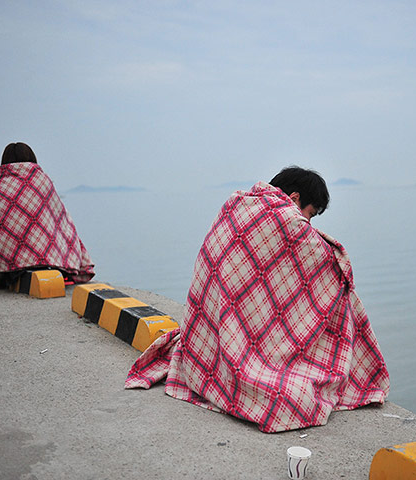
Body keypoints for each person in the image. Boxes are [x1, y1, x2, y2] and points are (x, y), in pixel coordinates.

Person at [126, 166, 390, 433]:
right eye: (309, 214)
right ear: (295, 198)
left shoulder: (237, 203)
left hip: (203, 342)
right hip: (232, 348)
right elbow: (331, 260)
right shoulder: (284, 216)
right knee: (298, 391)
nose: (308, 224)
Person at [0, 142, 95, 289]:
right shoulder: (41, 179)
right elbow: (58, 217)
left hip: (6, 255)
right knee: (62, 225)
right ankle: (65, 271)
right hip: (46, 255)